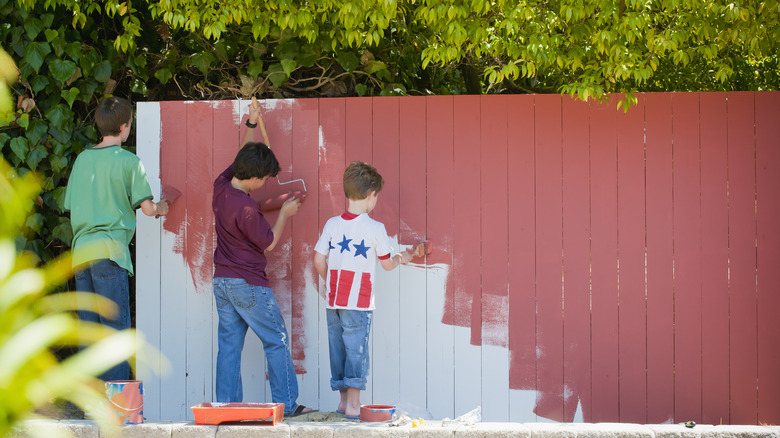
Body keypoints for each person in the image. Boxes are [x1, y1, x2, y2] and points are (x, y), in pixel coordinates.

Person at [211, 101, 313, 417]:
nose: (266, 183)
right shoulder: (246, 208)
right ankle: (289, 404)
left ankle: (226, 408)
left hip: (222, 283)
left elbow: (241, 156)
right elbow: (268, 243)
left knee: (229, 348)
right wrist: (284, 212)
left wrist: (251, 125)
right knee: (277, 340)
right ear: (254, 178)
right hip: (248, 284)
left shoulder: (221, 186)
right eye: (265, 179)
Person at [65, 96, 169, 382]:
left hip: (81, 255)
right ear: (125, 127)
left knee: (90, 337)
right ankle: (118, 412)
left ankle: (93, 410)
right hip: (109, 254)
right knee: (116, 335)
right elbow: (148, 209)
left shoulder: (83, 159)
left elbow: (72, 205)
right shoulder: (129, 162)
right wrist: (164, 207)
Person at [313, 161, 421, 420]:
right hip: (358, 303)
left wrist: (331, 285)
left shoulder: (332, 224)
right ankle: (353, 405)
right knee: (356, 350)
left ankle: (341, 402)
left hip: (334, 301)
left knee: (337, 348)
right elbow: (386, 264)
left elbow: (318, 261)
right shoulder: (375, 229)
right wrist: (402, 258)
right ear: (372, 195)